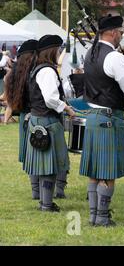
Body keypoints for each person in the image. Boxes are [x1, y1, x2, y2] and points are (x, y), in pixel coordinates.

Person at [79, 15, 124, 227]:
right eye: (121, 31)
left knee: (94, 171)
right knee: (106, 171)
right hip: (109, 119)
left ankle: (94, 215)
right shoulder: (114, 57)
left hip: (93, 117)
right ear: (112, 32)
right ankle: (102, 217)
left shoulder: (90, 54)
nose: (122, 35)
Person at [23, 35, 76, 212]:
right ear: (52, 50)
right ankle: (46, 204)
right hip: (47, 122)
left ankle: (45, 202)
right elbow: (50, 99)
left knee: (46, 166)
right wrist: (66, 108)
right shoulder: (47, 71)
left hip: (39, 120)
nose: (60, 52)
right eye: (59, 49)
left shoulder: (38, 68)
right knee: (49, 167)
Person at [3, 40, 40, 200]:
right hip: (37, 115)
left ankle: (35, 191)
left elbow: (10, 100)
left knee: (31, 156)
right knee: (40, 155)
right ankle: (43, 191)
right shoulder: (34, 72)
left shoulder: (14, 73)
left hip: (25, 117)